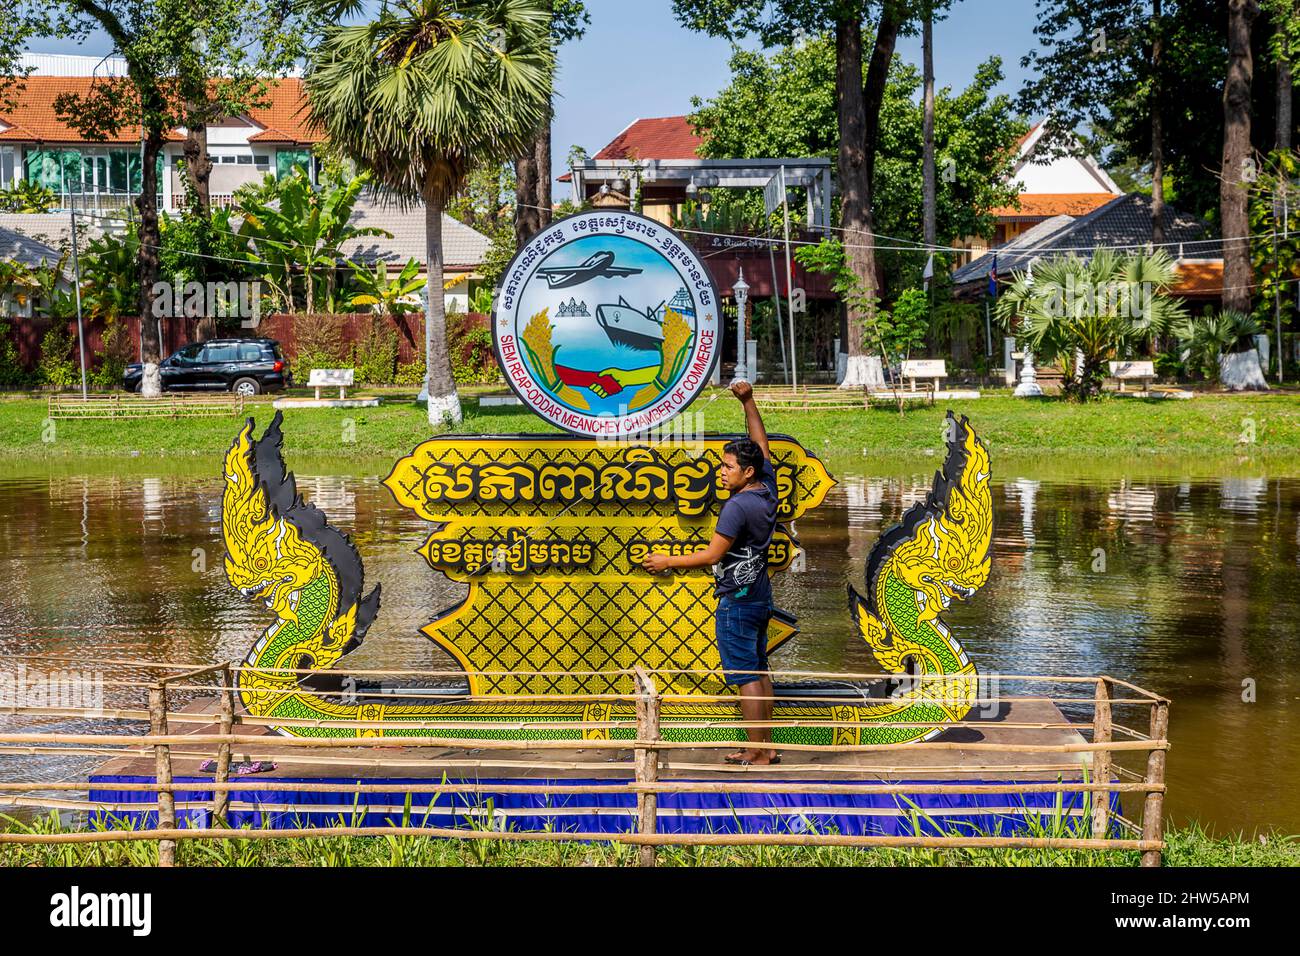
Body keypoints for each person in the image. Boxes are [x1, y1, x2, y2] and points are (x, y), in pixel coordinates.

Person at [642, 380, 780, 765]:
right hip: (760, 596)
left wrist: (667, 561)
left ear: (746, 472)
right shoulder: (766, 488)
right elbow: (761, 443)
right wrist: (748, 401)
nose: (721, 472)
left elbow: (712, 555)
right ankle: (766, 746)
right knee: (759, 671)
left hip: (737, 602)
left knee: (746, 677)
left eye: (727, 467)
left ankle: (757, 751)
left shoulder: (737, 507)